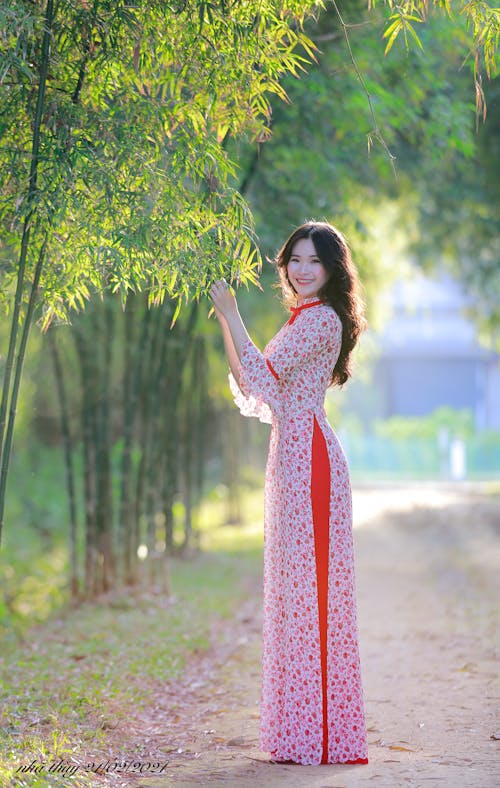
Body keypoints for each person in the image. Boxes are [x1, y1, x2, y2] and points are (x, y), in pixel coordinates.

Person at [209, 221, 369, 766]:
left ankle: (319, 738)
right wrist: (228, 325)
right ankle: (300, 734)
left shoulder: (320, 320)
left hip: (311, 466)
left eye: (314, 262)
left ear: (331, 271)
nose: (301, 270)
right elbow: (258, 384)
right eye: (295, 260)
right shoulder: (304, 319)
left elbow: (261, 371)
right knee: (293, 599)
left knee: (310, 597)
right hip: (293, 456)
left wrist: (232, 314)